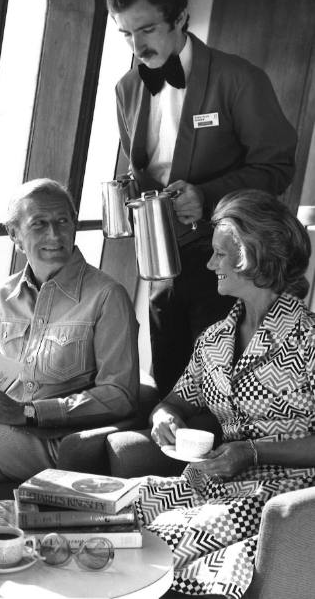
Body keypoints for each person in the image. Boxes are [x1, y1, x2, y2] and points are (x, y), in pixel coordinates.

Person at [106, 0, 297, 399]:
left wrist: (207, 197)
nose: (137, 45)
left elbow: (277, 167)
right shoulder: (126, 89)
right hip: (163, 261)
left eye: (148, 29)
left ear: (180, 19)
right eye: (125, 34)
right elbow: (146, 170)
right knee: (169, 383)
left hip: (229, 260)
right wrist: (128, 192)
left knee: (219, 393)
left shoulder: (239, 78)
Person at [136, 189, 315, 598]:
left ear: (252, 256)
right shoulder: (215, 339)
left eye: (220, 253)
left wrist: (251, 453)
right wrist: (163, 416)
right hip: (211, 480)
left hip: (285, 493)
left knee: (155, 541)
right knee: (118, 517)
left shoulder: (309, 340)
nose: (210, 263)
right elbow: (177, 400)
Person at [0, 178, 140, 489]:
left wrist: (27, 412)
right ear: (15, 235)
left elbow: (121, 396)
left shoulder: (107, 295)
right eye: (39, 224)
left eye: (63, 221)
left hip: (58, 444)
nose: (54, 234)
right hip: (0, 436)